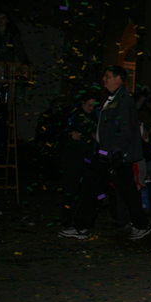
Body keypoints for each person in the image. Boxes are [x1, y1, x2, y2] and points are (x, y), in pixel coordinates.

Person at [59, 66, 151, 240]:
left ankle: (141, 224)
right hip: (105, 155)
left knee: (126, 192)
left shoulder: (124, 99)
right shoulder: (112, 99)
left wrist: (117, 153)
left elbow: (126, 130)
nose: (104, 79)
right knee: (94, 191)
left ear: (119, 79)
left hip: (113, 157)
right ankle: (81, 227)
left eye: (108, 76)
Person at [59, 92, 98, 226]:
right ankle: (67, 220)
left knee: (86, 189)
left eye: (93, 105)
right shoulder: (73, 112)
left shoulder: (94, 114)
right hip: (73, 155)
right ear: (82, 102)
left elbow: (95, 129)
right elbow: (59, 128)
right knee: (71, 188)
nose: (91, 108)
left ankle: (81, 219)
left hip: (87, 155)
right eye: (89, 105)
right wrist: (70, 132)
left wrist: (94, 136)